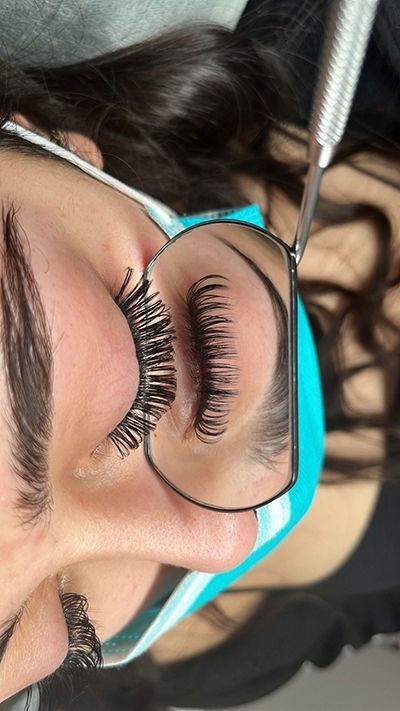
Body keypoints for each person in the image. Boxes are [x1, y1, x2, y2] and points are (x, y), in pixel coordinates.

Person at [0, 2, 399, 710]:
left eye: (162, 369)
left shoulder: (337, 45)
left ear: (40, 137)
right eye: (74, 626)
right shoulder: (197, 669)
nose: (225, 541)